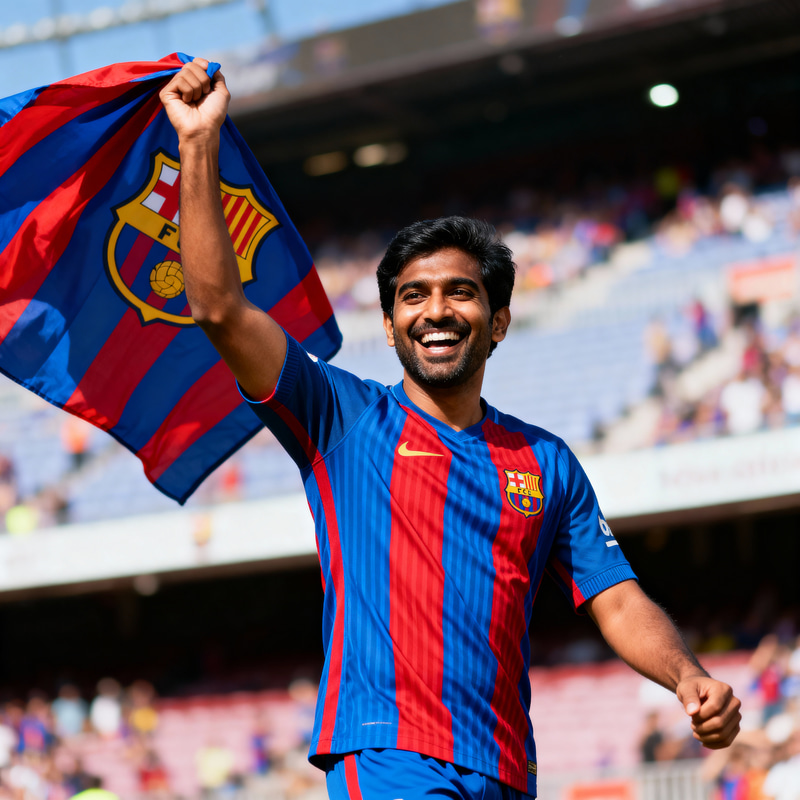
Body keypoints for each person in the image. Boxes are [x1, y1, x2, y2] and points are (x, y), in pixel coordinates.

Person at [160, 59, 742, 800]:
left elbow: (617, 597)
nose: (435, 310)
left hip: (506, 770)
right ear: (393, 321)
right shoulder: (340, 417)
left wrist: (688, 676)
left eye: (459, 293)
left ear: (497, 321)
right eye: (413, 296)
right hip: (389, 752)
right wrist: (199, 145)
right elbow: (218, 310)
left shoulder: (545, 461)